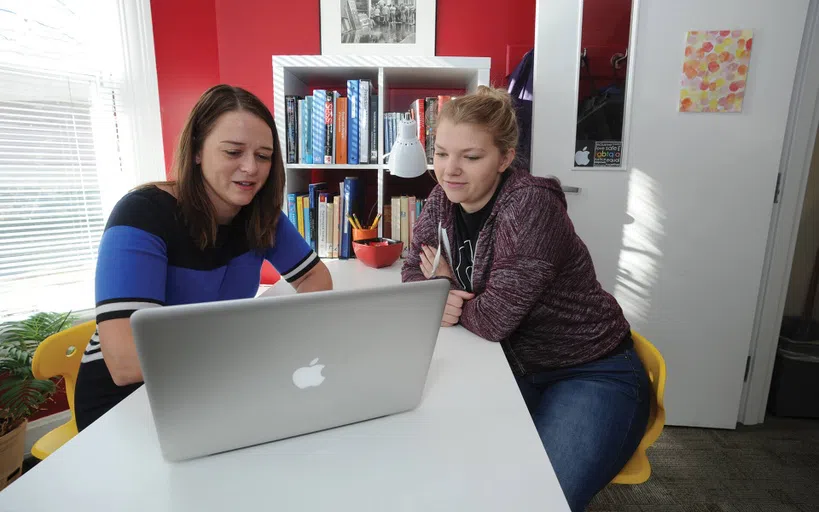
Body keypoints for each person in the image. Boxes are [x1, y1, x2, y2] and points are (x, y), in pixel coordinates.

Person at [401, 86, 650, 511]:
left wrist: (444, 289)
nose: (450, 170)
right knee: (440, 472)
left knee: (538, 502)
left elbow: (495, 319)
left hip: (588, 370)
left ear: (506, 158)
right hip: (505, 365)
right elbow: (412, 270)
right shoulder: (441, 199)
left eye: (471, 156)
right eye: (441, 153)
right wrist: (438, 291)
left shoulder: (530, 204)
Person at [75, 85, 333, 431]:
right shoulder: (141, 214)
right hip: (123, 405)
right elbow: (126, 363)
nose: (250, 168)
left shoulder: (259, 216)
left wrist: (274, 337)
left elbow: (316, 278)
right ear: (197, 150)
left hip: (204, 386)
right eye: (233, 152)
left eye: (263, 155)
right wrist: (251, 343)